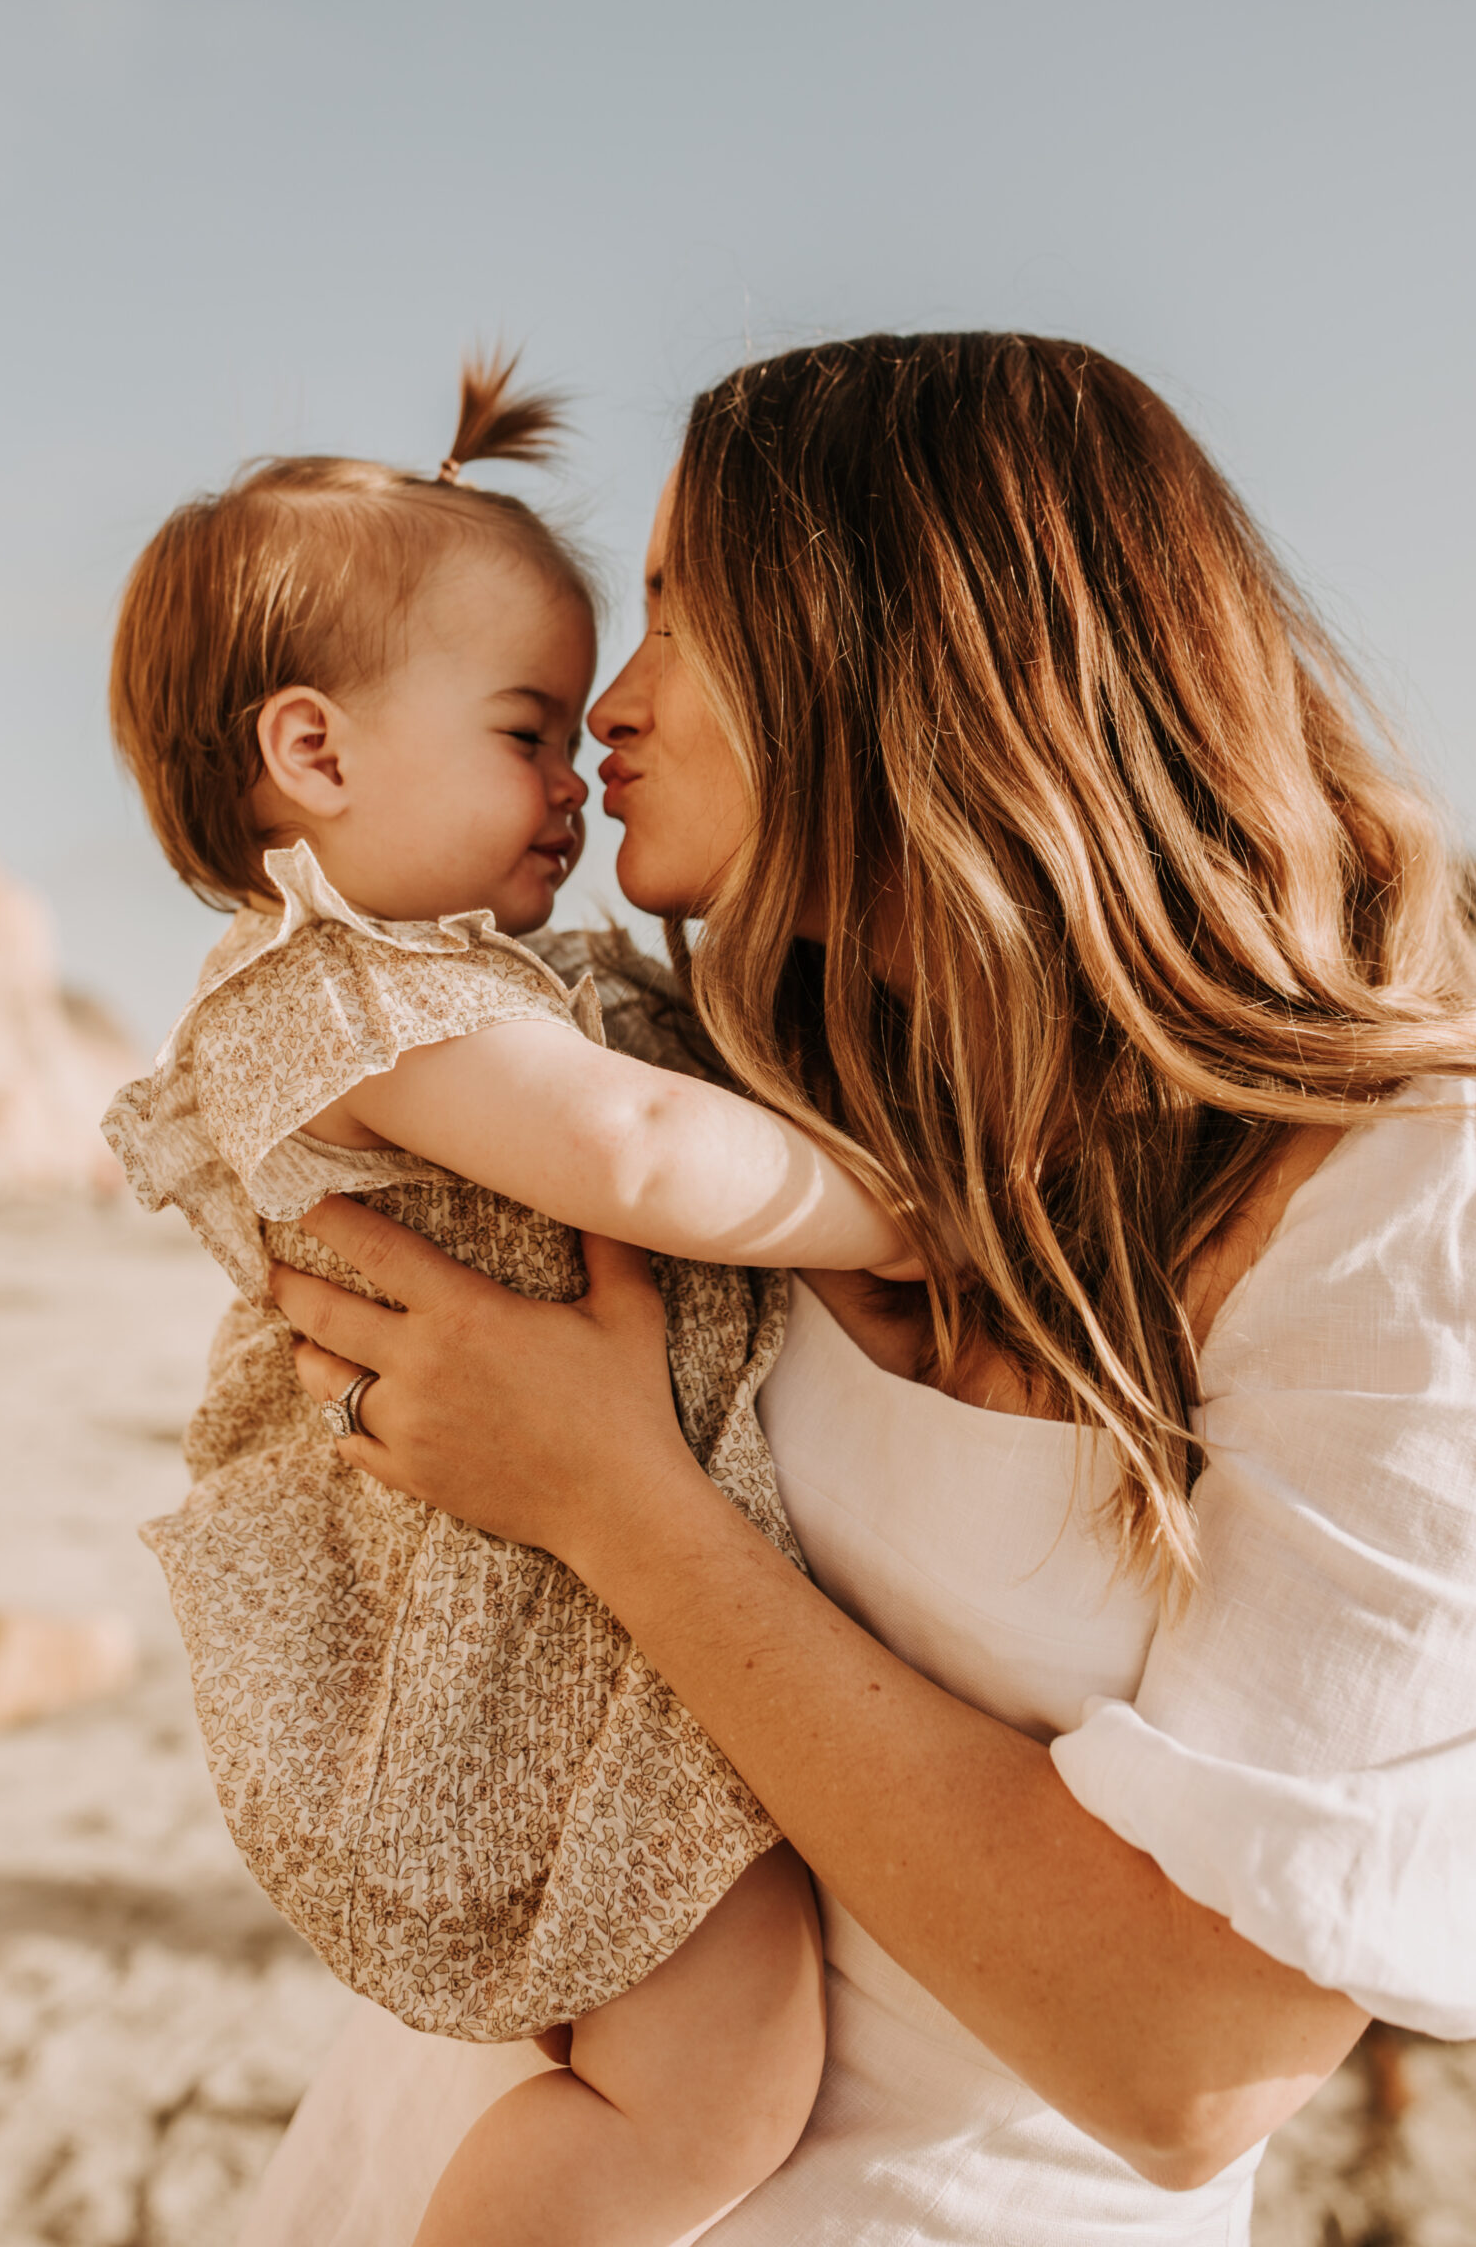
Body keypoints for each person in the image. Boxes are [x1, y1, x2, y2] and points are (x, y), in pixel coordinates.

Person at [244, 330, 1476, 2246]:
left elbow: (1191, 2061)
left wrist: (609, 1493)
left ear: (911, 642)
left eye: (683, 610)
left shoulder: (1421, 1201)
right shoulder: (744, 1070)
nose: (615, 700)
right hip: (428, 2163)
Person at [100, 354, 942, 2247]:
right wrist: (908, 1220)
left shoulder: (515, 984)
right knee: (703, 2092)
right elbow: (642, 1164)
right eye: (526, 728)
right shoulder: (338, 1003)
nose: (579, 776)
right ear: (314, 757)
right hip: (497, 1653)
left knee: (712, 2070)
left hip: (584, 1619)